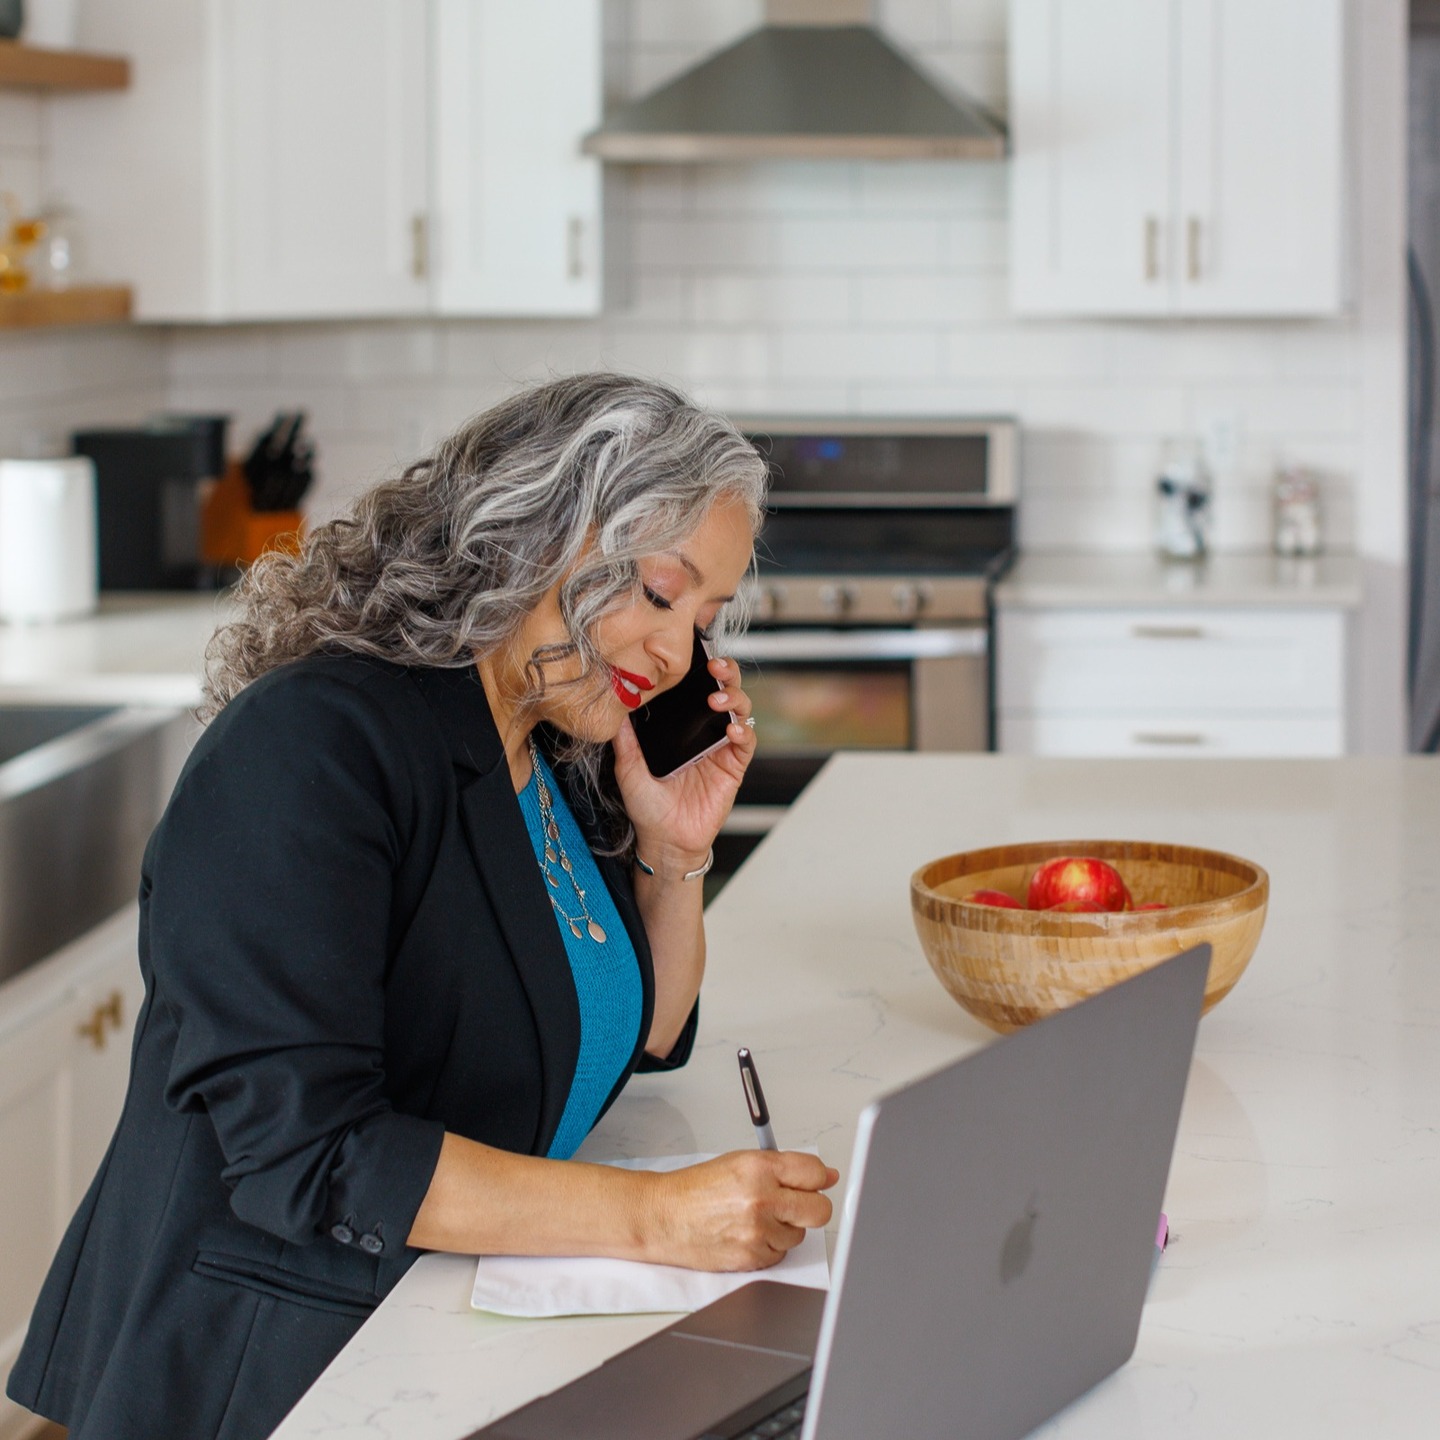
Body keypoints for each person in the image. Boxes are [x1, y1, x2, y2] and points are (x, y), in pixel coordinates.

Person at [8, 374, 839, 1440]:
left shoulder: (549, 741)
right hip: (267, 1370)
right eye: (662, 594)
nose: (679, 656)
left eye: (707, 617)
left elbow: (645, 1031)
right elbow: (311, 1155)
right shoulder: (311, 747)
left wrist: (676, 851)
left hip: (446, 1327)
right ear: (536, 536)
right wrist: (660, 1216)